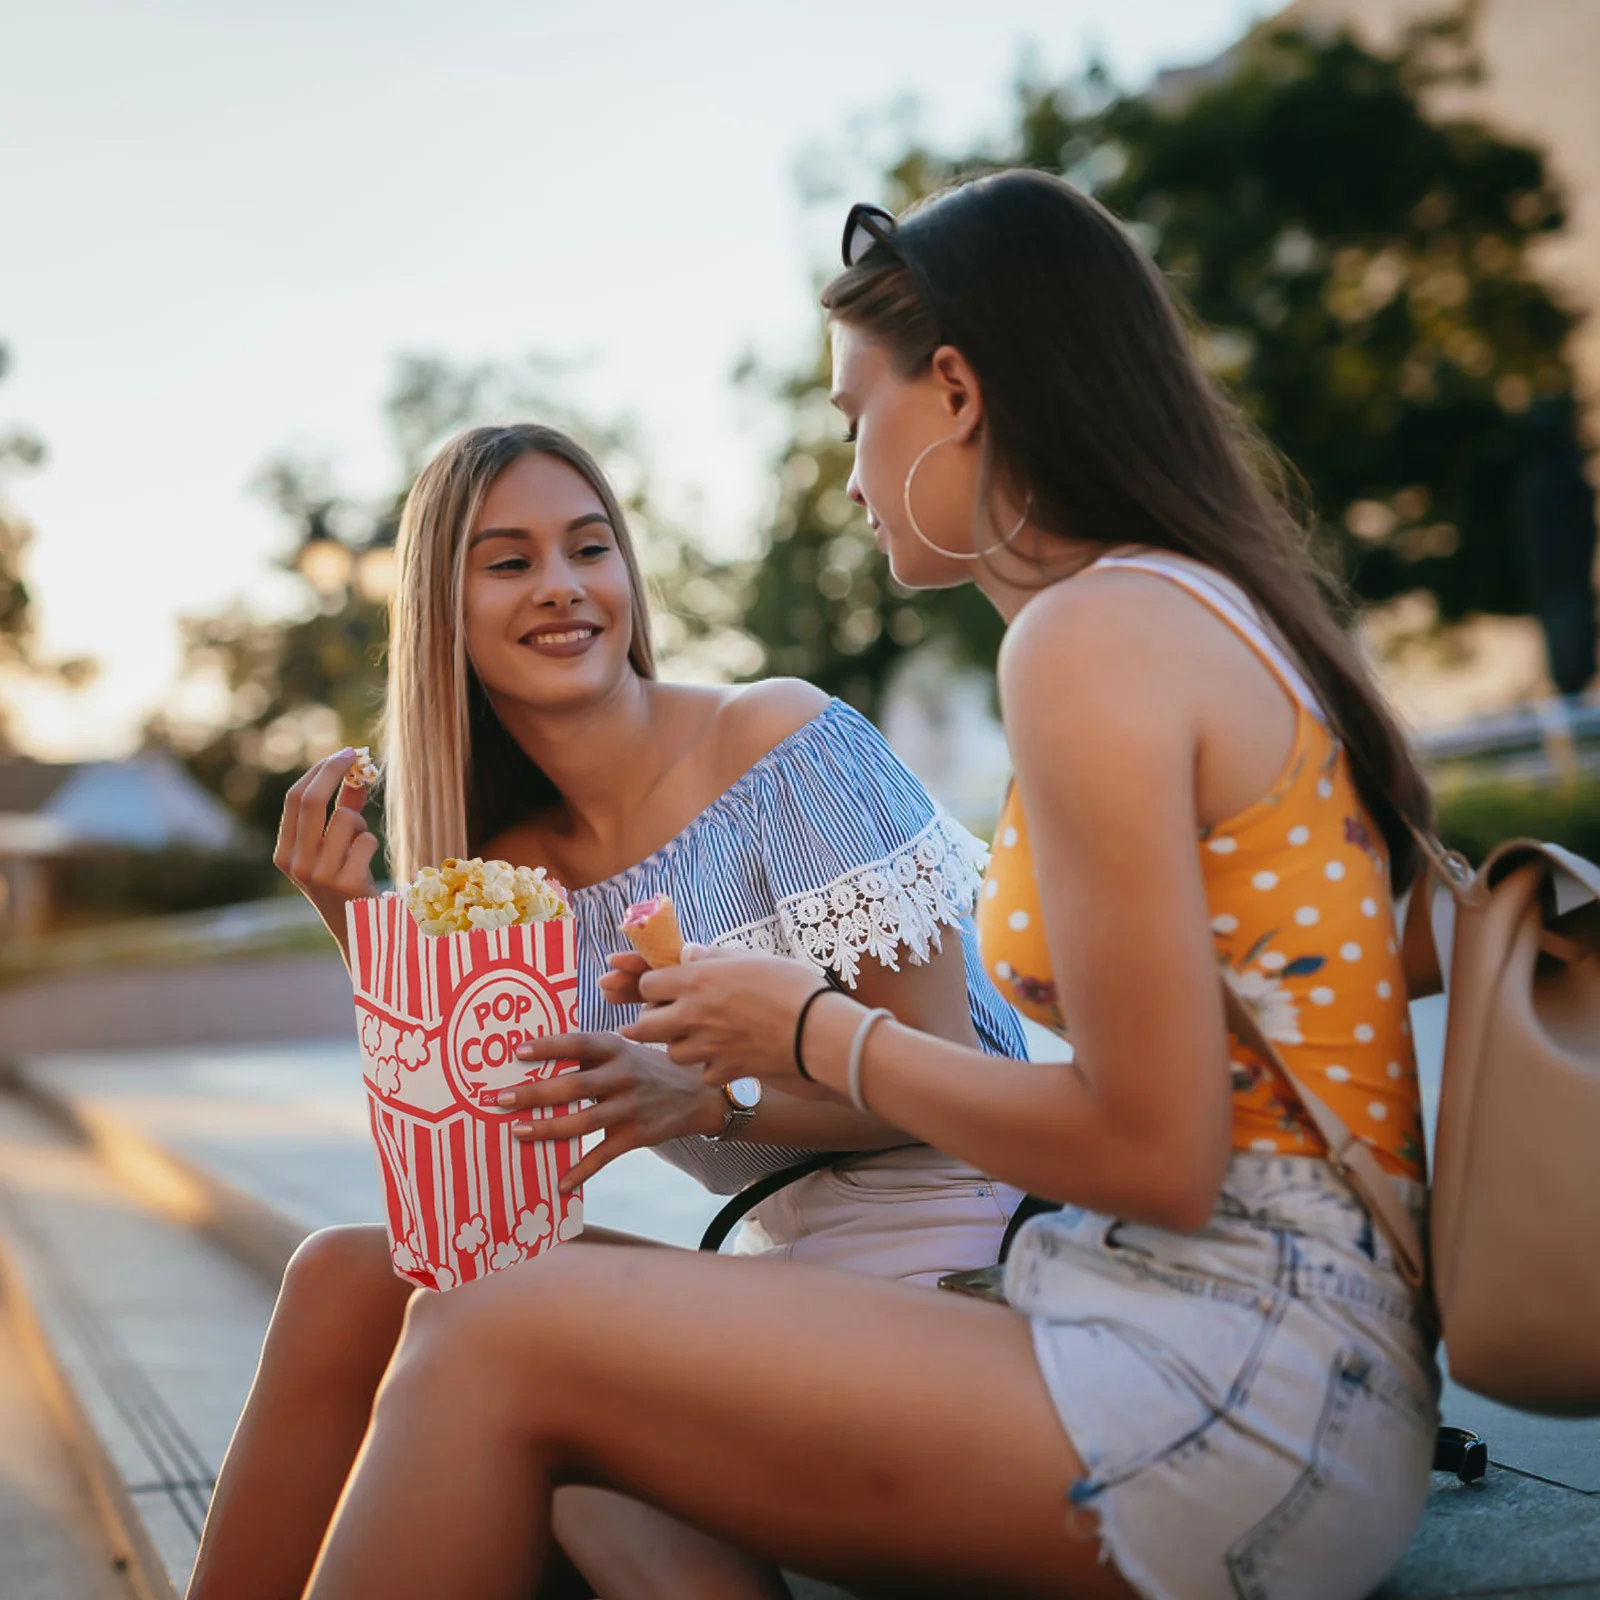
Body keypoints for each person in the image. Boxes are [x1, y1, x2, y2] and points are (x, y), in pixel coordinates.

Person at [299, 171, 1441, 1600]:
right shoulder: (1171, 612)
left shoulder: (1090, 641)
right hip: (1218, 1335)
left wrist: (808, 1033)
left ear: (952, 392)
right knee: (424, 1311)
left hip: (1239, 1384)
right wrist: (388, 941)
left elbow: (1153, 1154)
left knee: (491, 1333)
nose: (849, 474)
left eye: (855, 418)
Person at [184, 423, 1026, 1600]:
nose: (563, 585)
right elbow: (473, 1206)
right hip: (792, 1275)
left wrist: (716, 1097)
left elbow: (958, 1082)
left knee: (537, 1381)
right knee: (341, 1277)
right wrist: (369, 935)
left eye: (589, 548)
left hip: (967, 1257)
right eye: (509, 560)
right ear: (442, 612)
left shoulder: (781, 743)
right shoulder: (505, 876)